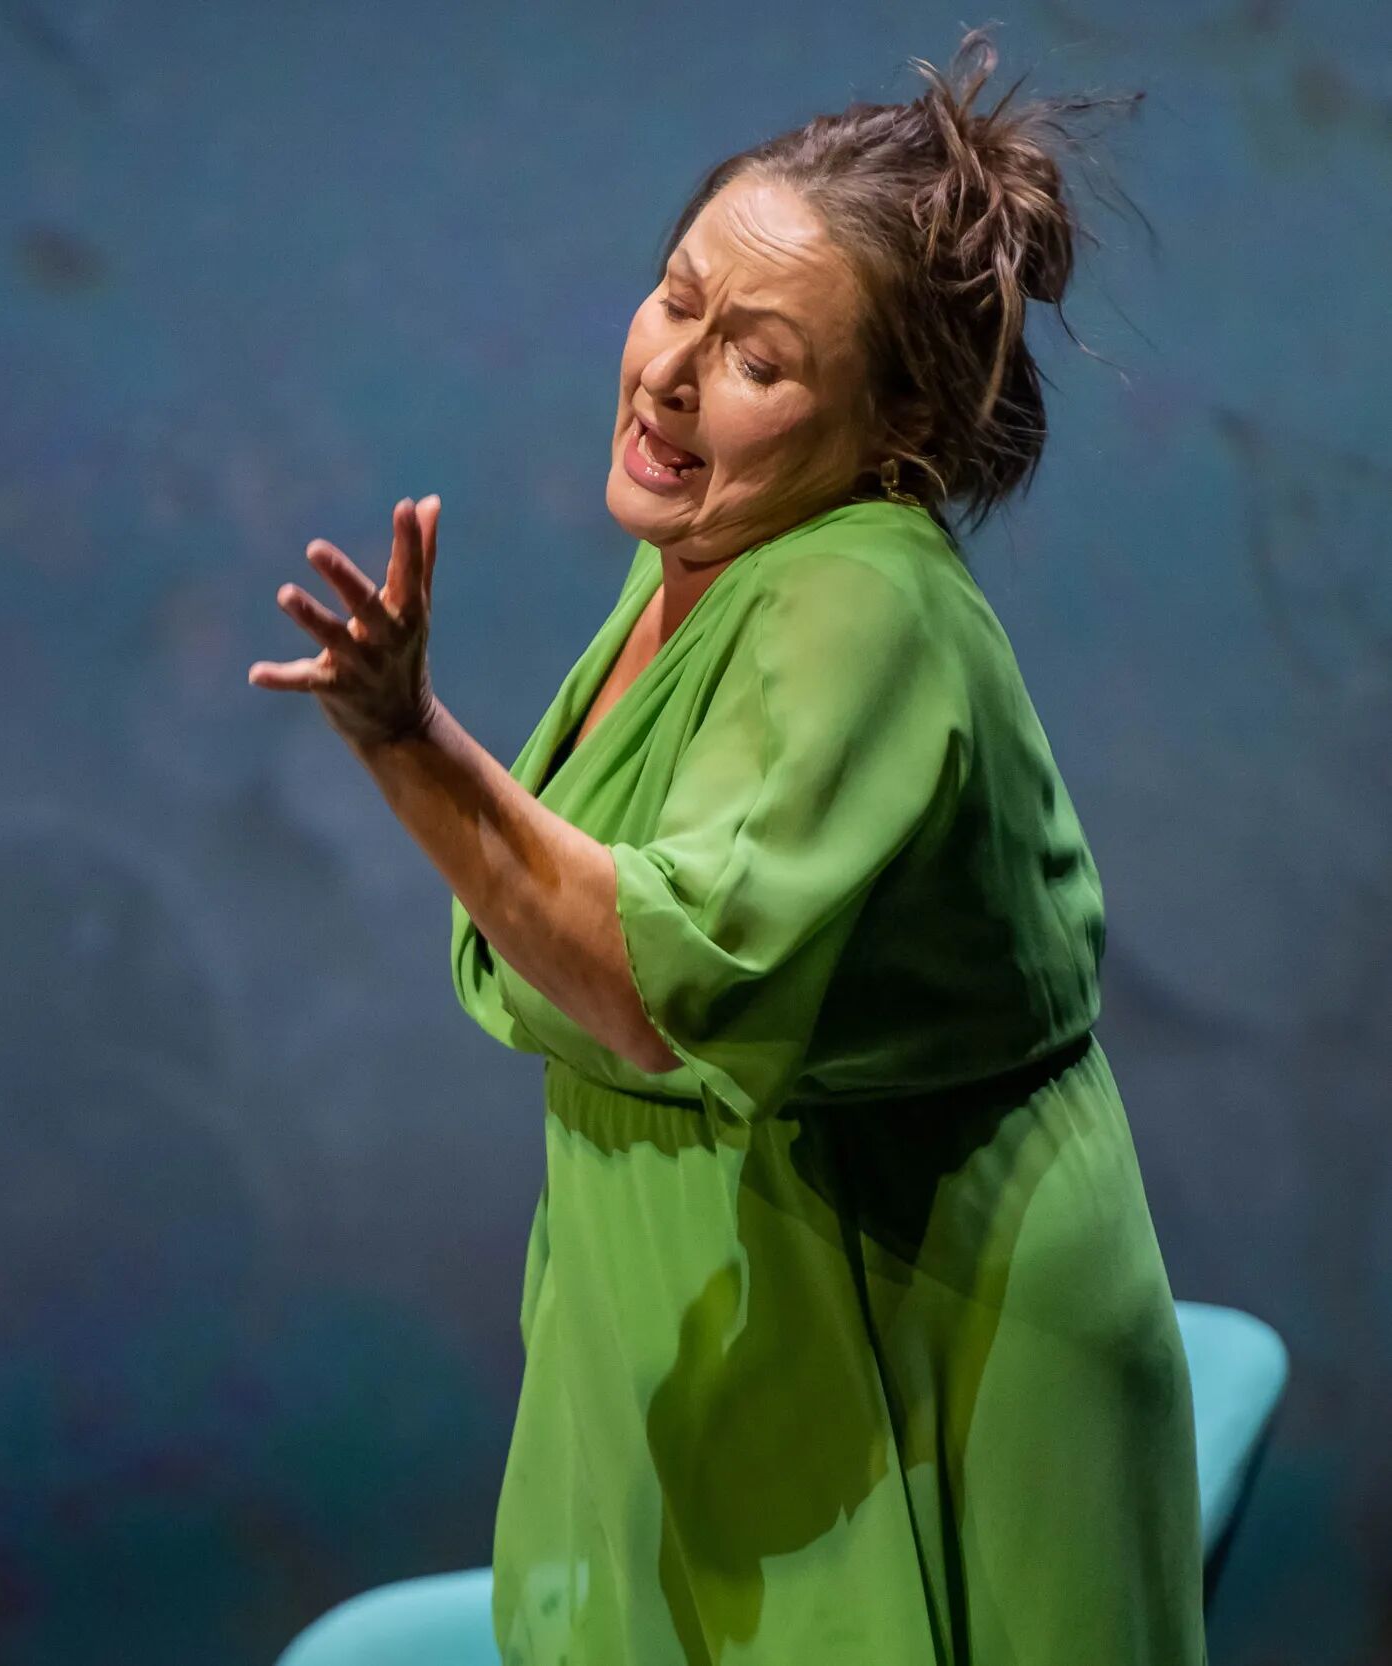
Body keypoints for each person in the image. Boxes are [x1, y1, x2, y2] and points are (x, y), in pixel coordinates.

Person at [247, 30, 1202, 1666]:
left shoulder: (862, 602)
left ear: (898, 421)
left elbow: (654, 984)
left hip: (908, 1314)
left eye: (757, 356)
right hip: (713, 1294)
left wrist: (410, 738)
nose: (671, 375)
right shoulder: (709, 548)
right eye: (677, 298)